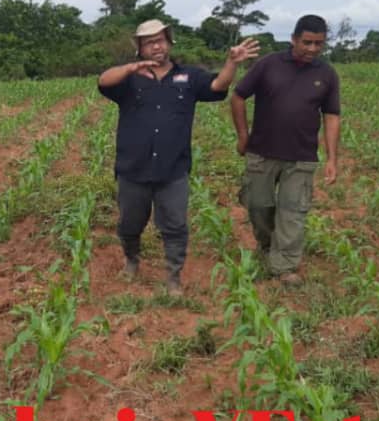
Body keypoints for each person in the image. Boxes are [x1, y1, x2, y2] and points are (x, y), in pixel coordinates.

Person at [97, 19, 259, 295]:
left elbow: (218, 86)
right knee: (129, 224)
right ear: (140, 48)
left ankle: (173, 276)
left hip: (173, 170)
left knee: (175, 225)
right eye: (149, 42)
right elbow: (103, 81)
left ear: (169, 42)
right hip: (133, 168)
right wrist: (130, 68)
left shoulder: (189, 77)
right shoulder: (128, 80)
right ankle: (131, 261)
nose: (156, 46)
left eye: (160, 40)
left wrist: (232, 63)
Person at [230, 14, 341, 287]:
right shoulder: (268, 64)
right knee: (259, 205)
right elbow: (238, 96)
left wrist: (331, 158)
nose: (312, 49)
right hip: (262, 151)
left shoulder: (326, 74)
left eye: (319, 44)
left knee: (293, 211)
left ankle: (285, 266)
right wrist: (243, 135)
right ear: (293, 39)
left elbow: (332, 115)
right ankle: (267, 246)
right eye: (307, 42)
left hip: (301, 156)